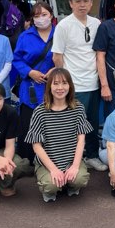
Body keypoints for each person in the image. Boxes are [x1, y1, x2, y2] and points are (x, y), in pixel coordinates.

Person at [52, 0, 105, 172]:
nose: (82, 5)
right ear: (71, 3)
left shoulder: (96, 23)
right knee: (71, 123)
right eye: (77, 1)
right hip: (74, 84)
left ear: (91, 3)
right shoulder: (63, 26)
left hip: (93, 83)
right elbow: (57, 56)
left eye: (85, 1)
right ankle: (70, 159)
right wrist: (64, 82)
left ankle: (91, 156)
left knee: (91, 122)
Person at [25, 68, 93, 202]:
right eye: (55, 83)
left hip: (70, 160)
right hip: (48, 162)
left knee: (79, 180)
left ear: (70, 86)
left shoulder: (78, 108)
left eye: (64, 83)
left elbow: (81, 140)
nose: (60, 88)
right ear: (49, 87)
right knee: (51, 186)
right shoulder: (40, 112)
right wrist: (53, 170)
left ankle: (70, 184)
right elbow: (37, 146)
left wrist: (75, 166)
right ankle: (52, 184)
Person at [12, 2, 56, 164]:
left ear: (51, 15)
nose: (41, 19)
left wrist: (55, 70)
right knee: (29, 123)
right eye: (37, 16)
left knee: (53, 122)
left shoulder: (60, 33)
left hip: (55, 85)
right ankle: (28, 161)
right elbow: (16, 59)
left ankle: (52, 159)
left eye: (44, 14)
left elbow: (68, 55)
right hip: (31, 86)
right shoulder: (25, 36)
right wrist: (30, 72)